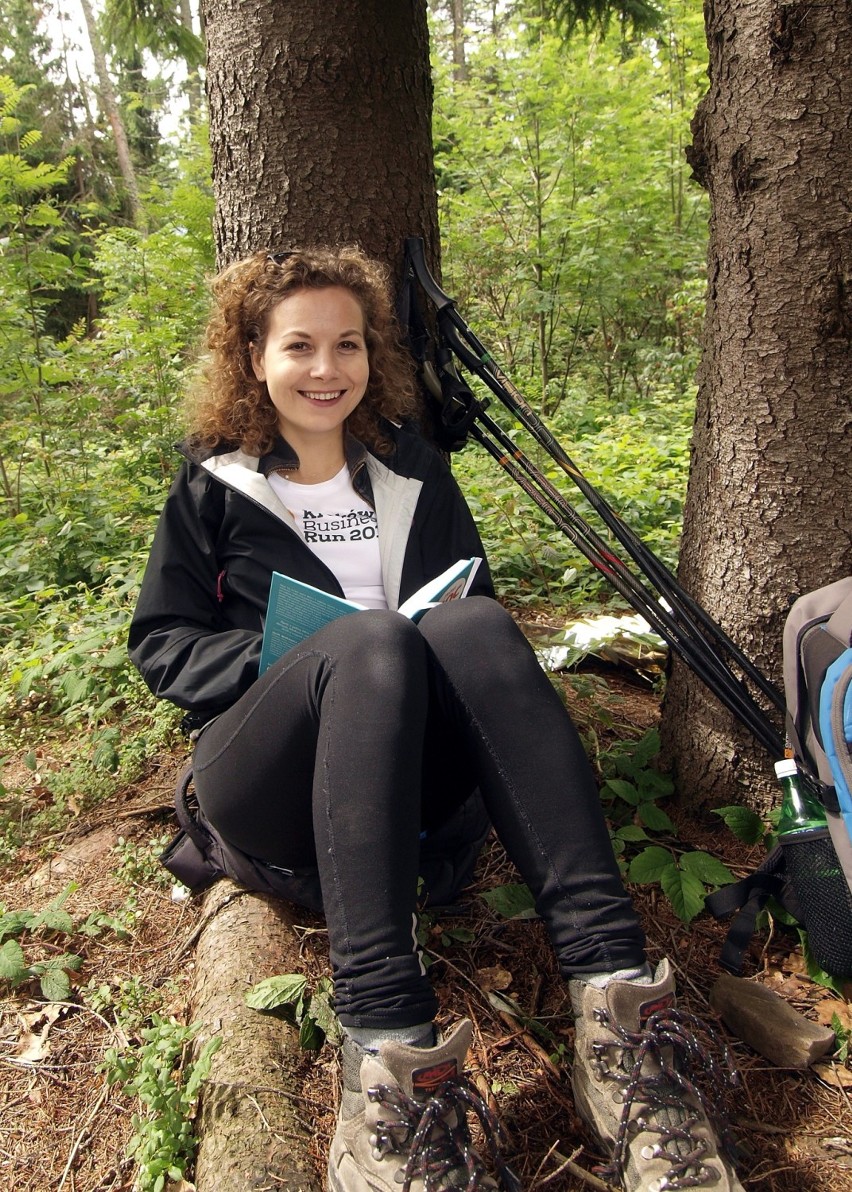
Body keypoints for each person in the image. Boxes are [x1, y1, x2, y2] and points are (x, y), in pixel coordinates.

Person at [128, 246, 744, 1192]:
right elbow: (161, 639)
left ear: (375, 356)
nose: (326, 369)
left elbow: (464, 620)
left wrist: (416, 636)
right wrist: (288, 653)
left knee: (477, 623)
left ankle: (619, 1010)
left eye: (349, 344)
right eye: (299, 346)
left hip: (409, 783)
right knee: (371, 644)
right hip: (273, 784)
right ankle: (385, 1052)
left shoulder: (414, 468)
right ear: (253, 355)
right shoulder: (214, 483)